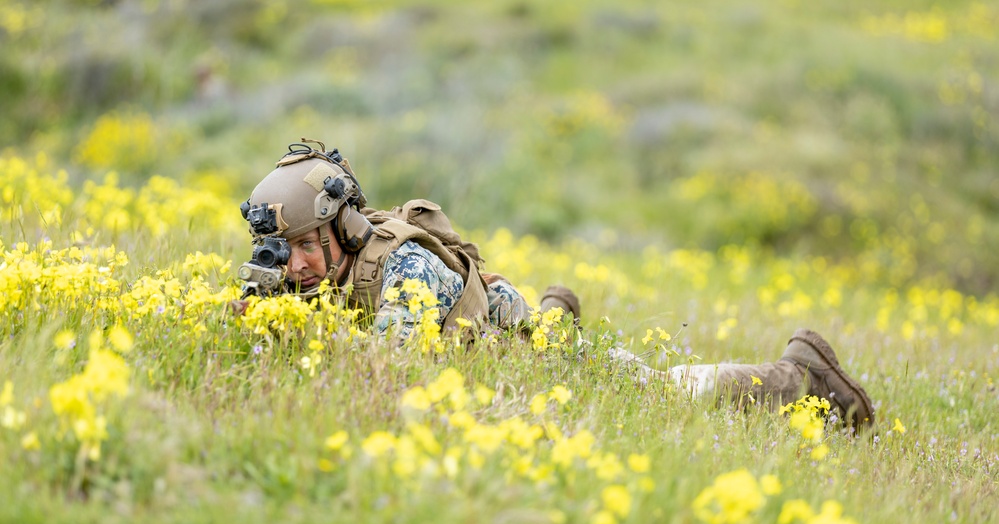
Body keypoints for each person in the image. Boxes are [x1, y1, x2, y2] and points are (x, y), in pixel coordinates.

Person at [235, 140, 875, 430]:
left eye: (301, 248)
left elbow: (384, 371)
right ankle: (553, 311)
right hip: (496, 339)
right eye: (283, 250)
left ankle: (802, 375)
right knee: (539, 332)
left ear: (339, 228)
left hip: (526, 354)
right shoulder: (322, 269)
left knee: (654, 393)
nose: (293, 266)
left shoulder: (401, 267)